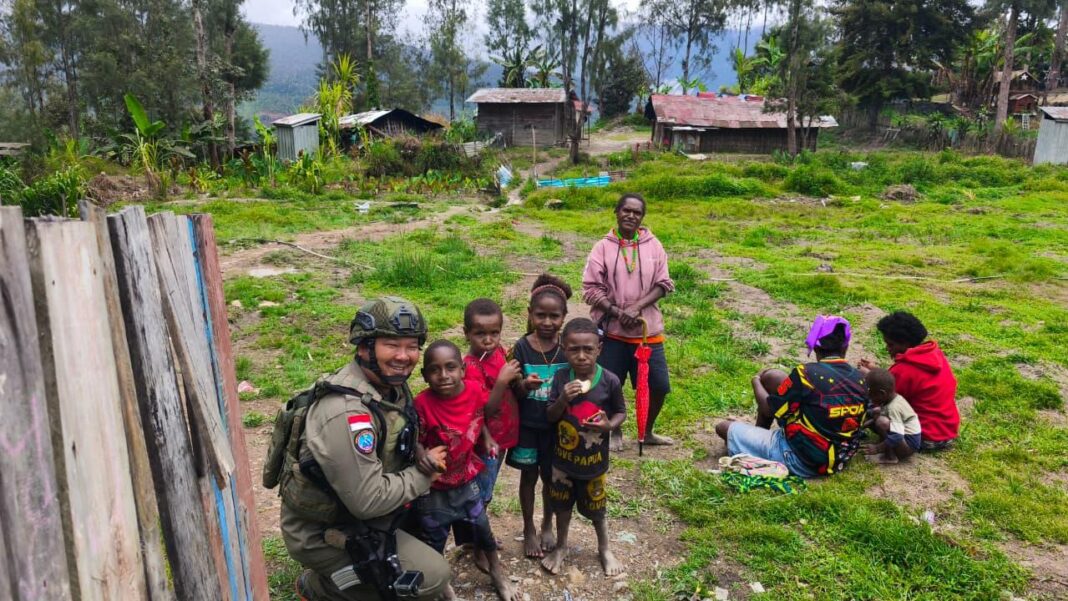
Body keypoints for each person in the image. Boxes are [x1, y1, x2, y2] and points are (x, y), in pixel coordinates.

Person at [278, 297, 451, 601]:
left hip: (358, 513)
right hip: (321, 531)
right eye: (391, 345)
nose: (404, 356)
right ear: (364, 348)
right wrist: (423, 476)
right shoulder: (346, 413)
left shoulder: (388, 385)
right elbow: (367, 501)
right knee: (430, 578)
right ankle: (320, 587)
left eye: (412, 346)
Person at [412, 341, 520, 601]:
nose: (443, 375)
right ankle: (443, 585)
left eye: (450, 367)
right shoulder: (421, 404)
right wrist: (421, 454)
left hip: (465, 477)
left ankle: (497, 572)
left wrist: (487, 437)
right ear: (425, 375)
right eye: (435, 370)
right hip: (434, 484)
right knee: (434, 536)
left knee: (482, 527)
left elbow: (480, 414)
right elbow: (414, 438)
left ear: (462, 369)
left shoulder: (473, 390)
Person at [714, 315, 869, 477]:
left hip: (801, 460)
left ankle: (761, 446)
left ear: (815, 348)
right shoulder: (861, 378)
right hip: (840, 457)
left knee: (724, 428)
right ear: (846, 346)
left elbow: (768, 409)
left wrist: (756, 381)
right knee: (774, 377)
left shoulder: (805, 374)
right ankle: (759, 435)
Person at [582, 192, 675, 450]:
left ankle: (647, 431)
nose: (631, 216)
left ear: (642, 217)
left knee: (658, 385)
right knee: (609, 385)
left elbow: (664, 284)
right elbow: (590, 288)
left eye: (637, 212)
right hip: (612, 331)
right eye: (626, 210)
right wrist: (615, 311)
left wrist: (636, 308)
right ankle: (615, 430)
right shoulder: (603, 247)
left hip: (647, 331)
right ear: (617, 211)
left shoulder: (653, 245)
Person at [541, 318, 626, 576]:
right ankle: (561, 546)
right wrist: (563, 398)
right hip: (563, 462)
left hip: (593, 463)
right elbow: (550, 416)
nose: (581, 356)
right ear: (563, 349)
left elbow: (621, 412)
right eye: (574, 349)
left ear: (599, 349)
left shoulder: (609, 380)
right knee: (561, 507)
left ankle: (604, 548)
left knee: (597, 510)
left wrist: (609, 426)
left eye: (588, 349)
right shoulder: (560, 378)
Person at [506, 274, 571, 559]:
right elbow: (514, 391)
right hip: (529, 426)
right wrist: (524, 385)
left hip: (556, 427)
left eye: (554, 316)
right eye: (540, 315)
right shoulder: (521, 347)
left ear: (564, 317)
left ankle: (547, 524)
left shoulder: (567, 348)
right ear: (530, 314)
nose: (547, 322)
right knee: (529, 477)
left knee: (550, 478)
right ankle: (529, 527)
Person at [457, 298, 520, 571]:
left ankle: (477, 538)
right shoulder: (470, 367)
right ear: (466, 333)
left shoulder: (499, 354)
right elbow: (484, 409)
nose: (488, 340)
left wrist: (521, 382)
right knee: (481, 495)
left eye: (494, 333)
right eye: (480, 333)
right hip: (485, 443)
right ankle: (479, 547)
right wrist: (503, 380)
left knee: (487, 490)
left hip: (501, 438)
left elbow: (513, 386)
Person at [859, 311, 959, 451]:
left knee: (867, 405)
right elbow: (901, 381)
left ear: (905, 343)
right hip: (947, 432)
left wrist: (868, 376)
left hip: (924, 437)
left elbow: (882, 397)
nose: (888, 349)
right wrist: (875, 370)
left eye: (891, 344)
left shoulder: (904, 370)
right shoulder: (934, 355)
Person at [862, 368, 921, 464]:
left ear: (882, 393)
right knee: (877, 413)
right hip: (903, 438)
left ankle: (890, 457)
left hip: (908, 446)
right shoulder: (891, 399)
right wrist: (861, 427)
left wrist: (877, 448)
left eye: (871, 395)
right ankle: (886, 447)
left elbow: (897, 436)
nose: (870, 399)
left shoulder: (894, 408)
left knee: (882, 422)